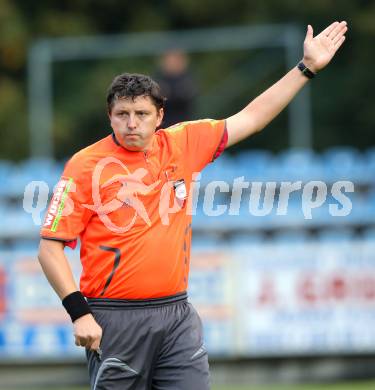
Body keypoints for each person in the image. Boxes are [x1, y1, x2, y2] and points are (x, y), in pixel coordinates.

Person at [38, 21, 347, 390]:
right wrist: (79, 314)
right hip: (114, 318)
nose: (131, 124)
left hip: (177, 315)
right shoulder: (84, 166)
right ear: (110, 116)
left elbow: (251, 118)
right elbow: (49, 249)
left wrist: (306, 68)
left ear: (160, 116)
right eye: (122, 115)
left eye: (141, 115)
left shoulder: (184, 143)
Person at [154, 49, 198, 127]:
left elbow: (187, 96)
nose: (172, 63)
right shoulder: (158, 78)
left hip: (183, 125)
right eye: (169, 60)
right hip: (163, 126)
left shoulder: (187, 78)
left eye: (175, 60)